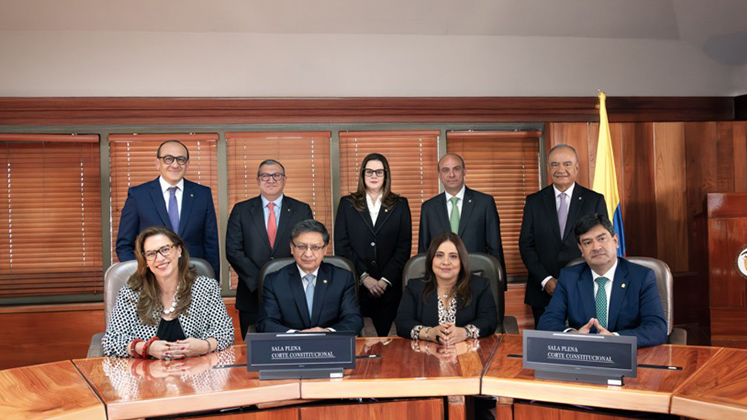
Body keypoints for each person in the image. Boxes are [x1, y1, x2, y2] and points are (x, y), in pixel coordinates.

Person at [537, 214, 667, 348]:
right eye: (587, 243)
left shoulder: (641, 277)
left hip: (627, 354)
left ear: (615, 241)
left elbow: (657, 329)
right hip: (584, 354)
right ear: (581, 249)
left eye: (602, 239)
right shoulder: (569, 277)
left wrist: (615, 338)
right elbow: (547, 322)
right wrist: (574, 335)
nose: (596, 247)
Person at [103, 226, 234, 359]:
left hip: (197, 368)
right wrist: (146, 348)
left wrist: (205, 346)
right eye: (151, 254)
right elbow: (111, 341)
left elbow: (225, 333)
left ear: (179, 250)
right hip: (147, 370)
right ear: (145, 261)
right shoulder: (132, 293)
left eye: (165, 249)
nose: (159, 258)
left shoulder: (206, 288)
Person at [520, 144, 607, 326]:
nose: (561, 170)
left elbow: (601, 244)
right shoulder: (534, 201)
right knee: (546, 340)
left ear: (576, 167)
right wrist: (546, 280)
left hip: (584, 287)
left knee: (584, 339)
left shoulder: (594, 200)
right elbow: (526, 246)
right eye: (555, 164)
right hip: (543, 291)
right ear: (548, 168)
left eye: (567, 164)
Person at [226, 159, 313, 338]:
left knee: (292, 346)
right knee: (253, 348)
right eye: (265, 176)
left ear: (285, 179)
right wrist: (261, 281)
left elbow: (308, 249)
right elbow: (233, 250)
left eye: (276, 175)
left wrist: (282, 281)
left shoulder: (301, 210)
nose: (271, 180)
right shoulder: (241, 210)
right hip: (251, 294)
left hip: (292, 292)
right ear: (258, 180)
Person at [116, 140, 220, 280]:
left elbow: (211, 245)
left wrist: (212, 281)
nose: (175, 165)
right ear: (157, 163)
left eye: (181, 159)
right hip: (152, 279)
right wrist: (142, 275)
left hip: (194, 278)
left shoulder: (202, 194)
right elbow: (124, 246)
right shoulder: (138, 195)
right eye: (168, 159)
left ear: (187, 164)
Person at [334, 153, 412, 336]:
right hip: (357, 287)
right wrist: (364, 277)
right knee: (360, 343)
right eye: (369, 171)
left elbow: (403, 246)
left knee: (388, 343)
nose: (374, 176)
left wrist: (385, 280)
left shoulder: (400, 204)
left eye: (379, 172)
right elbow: (342, 246)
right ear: (362, 174)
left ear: (386, 175)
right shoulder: (347, 204)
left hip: (389, 288)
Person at [256, 220, 364, 334]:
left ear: (325, 250)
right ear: (292, 248)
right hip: (289, 343)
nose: (308, 254)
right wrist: (296, 335)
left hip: (330, 342)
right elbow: (266, 322)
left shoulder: (342, 278)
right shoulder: (274, 281)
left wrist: (327, 332)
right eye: (301, 247)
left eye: (315, 247)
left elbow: (353, 319)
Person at [418, 153, 506, 286]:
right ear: (439, 176)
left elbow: (495, 248)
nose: (451, 175)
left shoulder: (485, 203)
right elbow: (424, 251)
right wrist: (424, 286)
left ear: (464, 171)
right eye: (445, 170)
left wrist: (499, 285)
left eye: (456, 169)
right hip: (440, 282)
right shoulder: (428, 208)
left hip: (477, 279)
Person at [396, 232, 498, 344]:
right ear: (431, 259)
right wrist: (428, 333)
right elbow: (402, 322)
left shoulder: (480, 286)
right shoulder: (414, 287)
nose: (445, 262)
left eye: (453, 256)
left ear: (461, 261)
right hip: (426, 352)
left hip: (469, 351)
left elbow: (489, 320)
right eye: (439, 255)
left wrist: (465, 332)